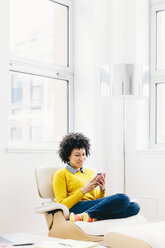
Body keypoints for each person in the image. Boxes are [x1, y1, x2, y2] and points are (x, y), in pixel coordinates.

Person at [52, 133, 140, 222]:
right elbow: (62, 204)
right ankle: (88, 215)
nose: (81, 158)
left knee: (134, 207)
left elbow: (98, 201)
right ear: (68, 155)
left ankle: (87, 216)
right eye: (77, 155)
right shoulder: (61, 174)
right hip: (76, 207)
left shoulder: (90, 172)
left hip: (92, 207)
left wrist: (102, 190)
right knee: (123, 198)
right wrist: (84, 191)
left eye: (83, 154)